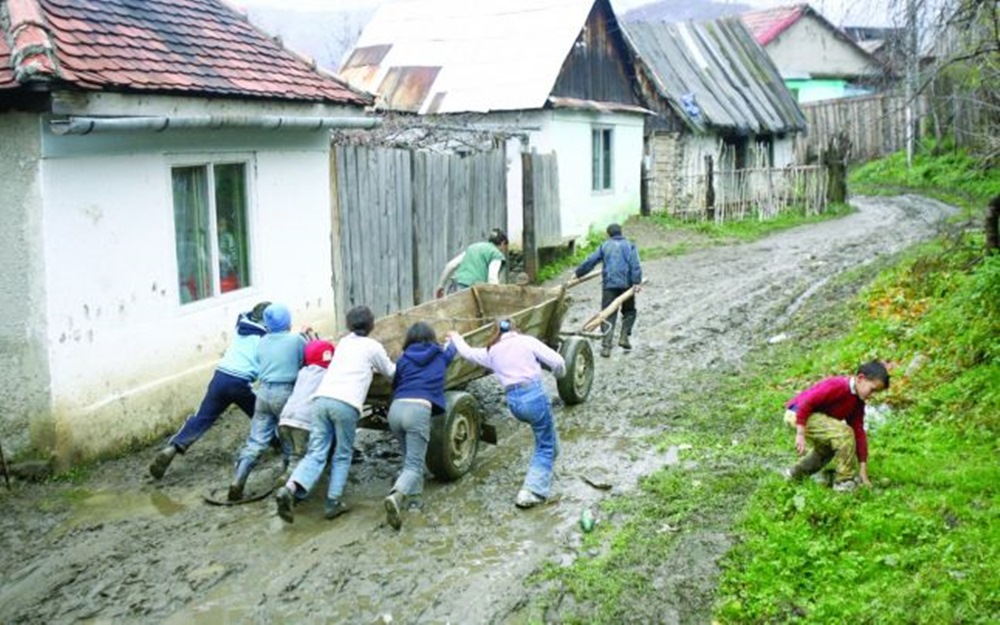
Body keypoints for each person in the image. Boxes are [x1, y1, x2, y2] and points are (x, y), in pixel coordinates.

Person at [275, 306, 395, 523]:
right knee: (342, 454)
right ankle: (333, 503)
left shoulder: (344, 344)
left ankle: (290, 489)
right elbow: (390, 372)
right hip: (345, 404)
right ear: (372, 325)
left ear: (349, 325)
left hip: (321, 400)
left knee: (316, 452)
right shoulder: (373, 346)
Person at [447, 318, 566, 509]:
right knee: (544, 444)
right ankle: (531, 491)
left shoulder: (491, 351)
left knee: (547, 436)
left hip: (514, 403)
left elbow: (468, 353)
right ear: (515, 328)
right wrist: (559, 375)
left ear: (496, 333)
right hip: (534, 396)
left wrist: (455, 338)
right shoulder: (526, 341)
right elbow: (558, 362)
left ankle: (547, 462)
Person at [149, 301, 270, 479]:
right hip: (241, 383)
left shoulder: (242, 327)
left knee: (202, 416)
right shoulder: (265, 338)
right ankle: (277, 443)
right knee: (262, 415)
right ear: (266, 322)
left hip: (220, 377)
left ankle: (174, 447)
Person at [227, 303, 305, 501]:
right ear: (288, 322)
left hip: (263, 393)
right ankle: (286, 481)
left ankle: (238, 480)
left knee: (256, 441)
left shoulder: (261, 342)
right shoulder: (296, 340)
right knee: (288, 437)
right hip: (285, 392)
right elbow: (305, 361)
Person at [384, 322, 457, 530]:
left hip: (396, 410)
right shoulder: (440, 355)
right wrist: (452, 337)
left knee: (410, 459)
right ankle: (396, 496)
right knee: (414, 465)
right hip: (418, 410)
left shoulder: (404, 359)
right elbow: (453, 349)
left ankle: (415, 501)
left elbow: (396, 384)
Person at [783, 360, 890, 491]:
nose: (872, 395)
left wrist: (863, 471)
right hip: (798, 413)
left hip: (815, 418)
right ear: (861, 379)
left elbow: (859, 433)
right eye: (872, 390)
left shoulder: (857, 402)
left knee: (828, 448)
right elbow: (807, 402)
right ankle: (844, 482)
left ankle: (795, 474)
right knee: (843, 433)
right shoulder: (837, 385)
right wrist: (800, 433)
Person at [274, 338, 336, 489]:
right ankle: (290, 483)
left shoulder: (303, 372)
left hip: (285, 419)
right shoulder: (328, 374)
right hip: (303, 422)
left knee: (293, 453)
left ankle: (286, 472)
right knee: (303, 455)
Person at [574, 223, 643, 358]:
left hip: (609, 286)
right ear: (621, 233)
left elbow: (591, 261)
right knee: (629, 312)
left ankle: (606, 347)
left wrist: (578, 273)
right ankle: (624, 337)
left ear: (609, 234)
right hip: (627, 285)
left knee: (607, 314)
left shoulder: (604, 246)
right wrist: (636, 282)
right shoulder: (630, 245)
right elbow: (635, 265)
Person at [434, 228, 509, 298]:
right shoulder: (496, 254)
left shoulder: (473, 248)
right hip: (471, 291)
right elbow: (492, 277)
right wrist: (496, 296)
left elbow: (451, 265)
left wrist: (441, 286)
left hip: (455, 287)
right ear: (502, 243)